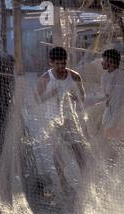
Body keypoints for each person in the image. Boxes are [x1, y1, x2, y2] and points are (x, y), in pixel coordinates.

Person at [36, 46, 89, 194]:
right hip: (53, 121)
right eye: (57, 64)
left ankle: (85, 183)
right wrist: (52, 94)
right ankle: (63, 183)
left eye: (63, 63)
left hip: (70, 120)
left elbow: (82, 97)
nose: (61, 67)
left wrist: (76, 97)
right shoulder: (45, 79)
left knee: (79, 152)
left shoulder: (74, 76)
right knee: (58, 154)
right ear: (51, 63)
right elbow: (37, 100)